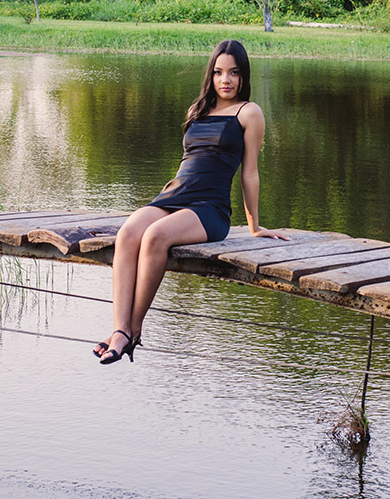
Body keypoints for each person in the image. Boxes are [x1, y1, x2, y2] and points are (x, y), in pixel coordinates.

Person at [93, 39, 287, 365]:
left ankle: (132, 331)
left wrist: (254, 226)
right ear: (210, 75)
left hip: (209, 208)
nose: (226, 80)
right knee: (128, 234)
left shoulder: (248, 113)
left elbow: (250, 173)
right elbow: (191, 159)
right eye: (219, 72)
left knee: (156, 237)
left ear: (244, 76)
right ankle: (119, 329)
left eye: (234, 73)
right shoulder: (197, 110)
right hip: (174, 195)